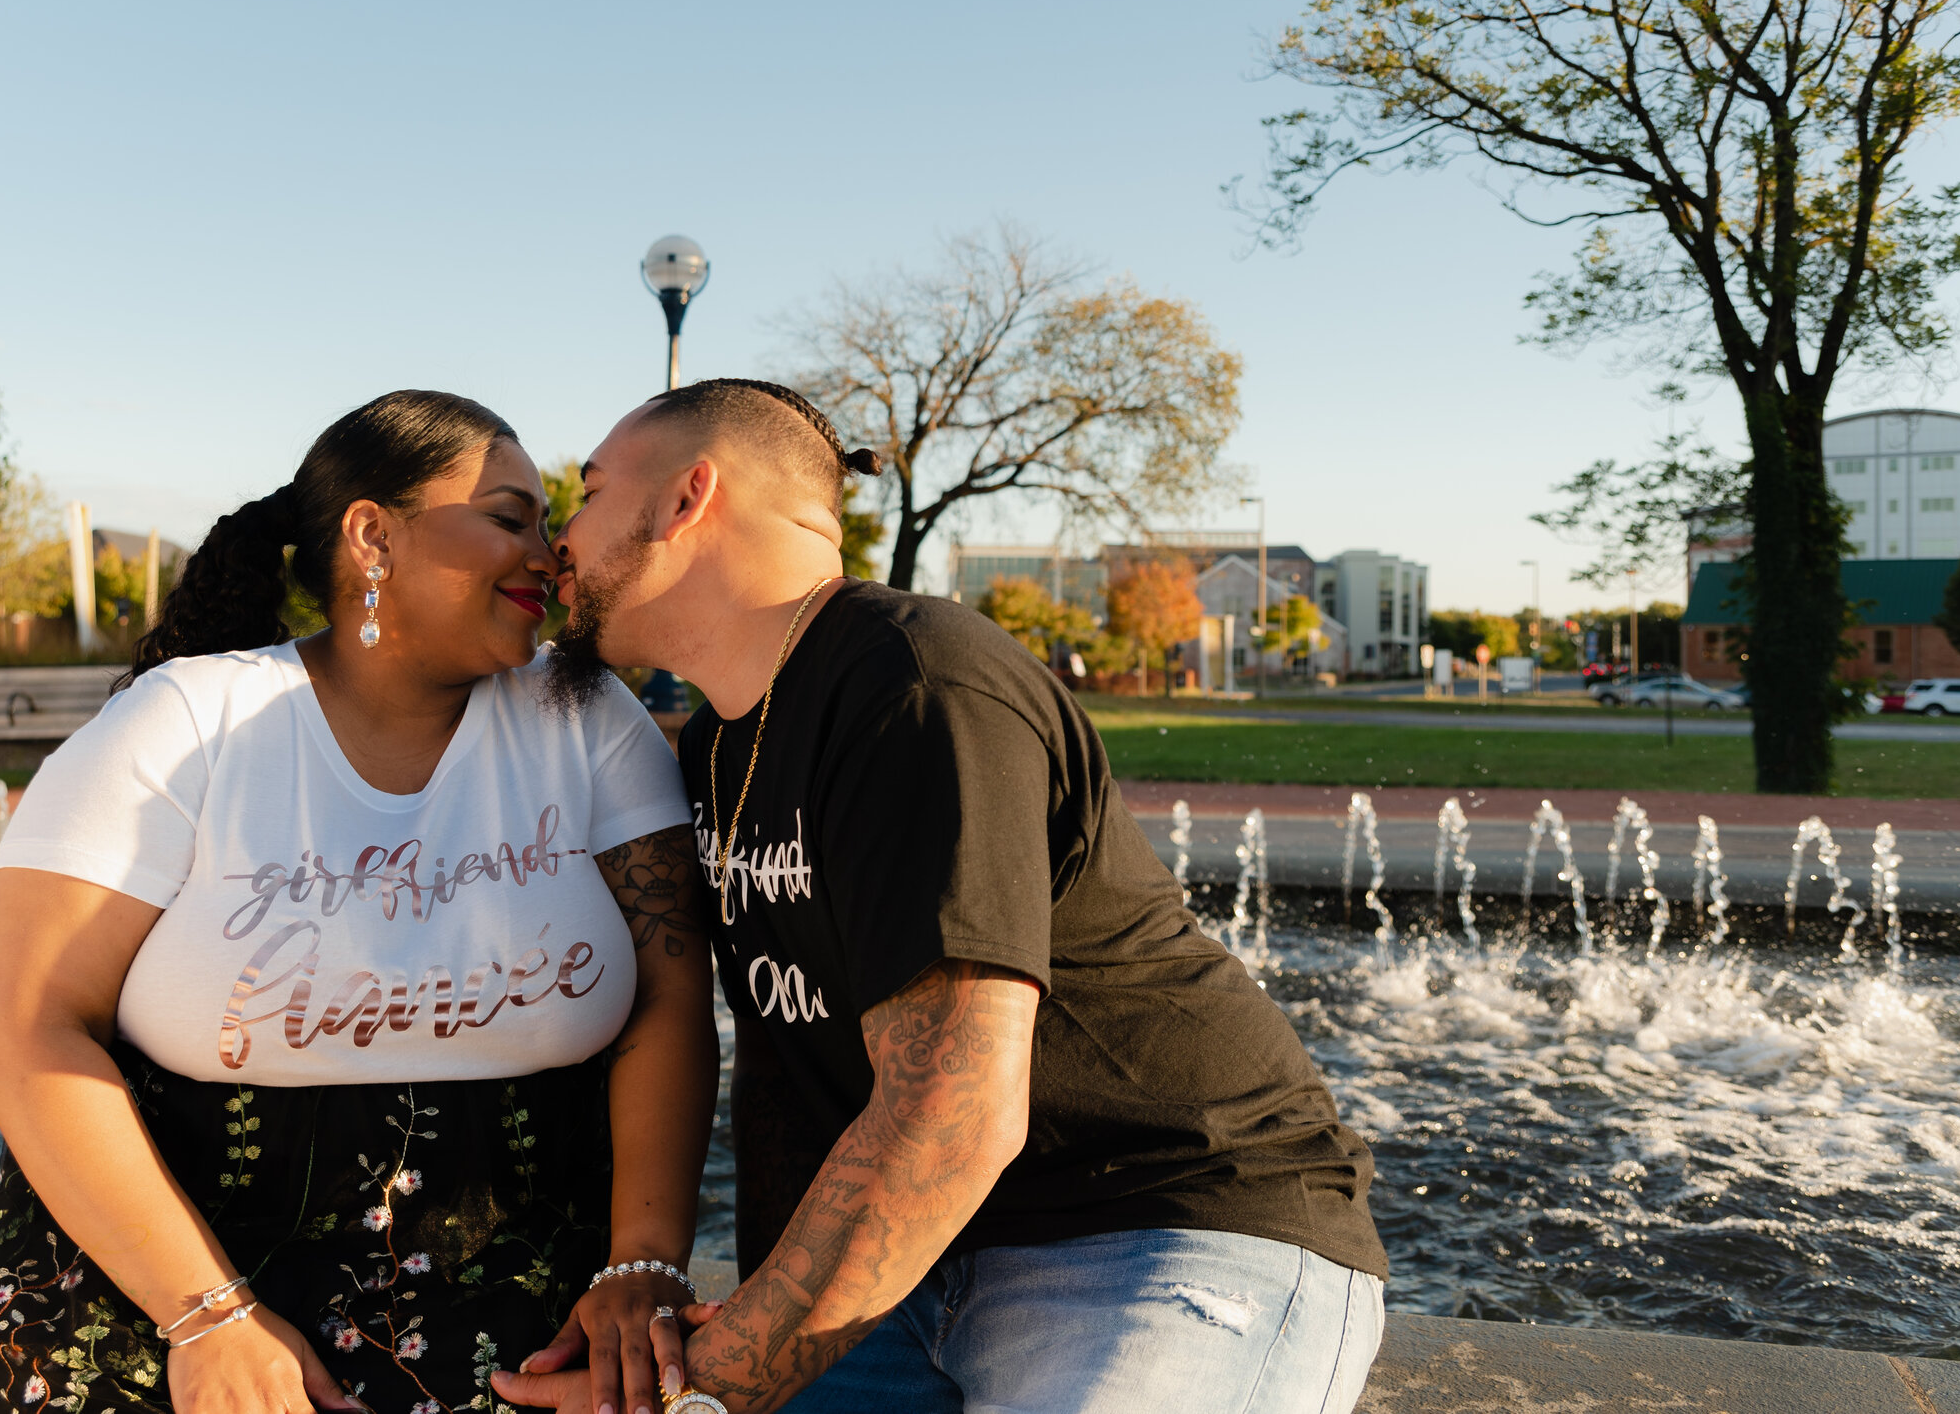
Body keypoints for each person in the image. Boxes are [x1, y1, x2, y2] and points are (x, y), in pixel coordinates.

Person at [501, 378, 1387, 1414]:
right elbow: (790, 1074)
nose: (558, 538)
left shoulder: (916, 684)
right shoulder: (717, 743)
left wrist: (719, 1389)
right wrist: (721, 1346)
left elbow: (953, 1111)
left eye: (590, 494)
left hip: (1161, 1225)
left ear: (689, 497)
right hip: (903, 1277)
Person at [0, 390, 716, 1414]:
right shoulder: (187, 721)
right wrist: (208, 1317)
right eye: (509, 517)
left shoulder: (587, 718)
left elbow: (671, 995)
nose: (550, 554)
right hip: (175, 1263)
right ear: (372, 535)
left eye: (547, 521)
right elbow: (23, 1026)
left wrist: (643, 1262)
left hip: (530, 1279)